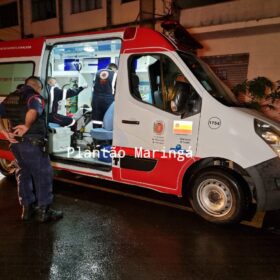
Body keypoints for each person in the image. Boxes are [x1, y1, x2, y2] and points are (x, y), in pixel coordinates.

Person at [0, 76, 63, 222]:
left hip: (16, 144)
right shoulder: (34, 96)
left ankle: (27, 210)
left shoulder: (11, 97)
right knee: (43, 175)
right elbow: (33, 111)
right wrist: (27, 126)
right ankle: (43, 212)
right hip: (32, 143)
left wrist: (4, 132)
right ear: (37, 86)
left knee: (23, 174)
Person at [92, 63, 118, 127]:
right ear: (114, 68)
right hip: (108, 99)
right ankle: (106, 135)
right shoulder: (115, 74)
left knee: (96, 119)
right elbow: (117, 88)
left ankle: (96, 133)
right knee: (108, 118)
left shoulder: (97, 72)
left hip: (96, 99)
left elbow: (93, 87)